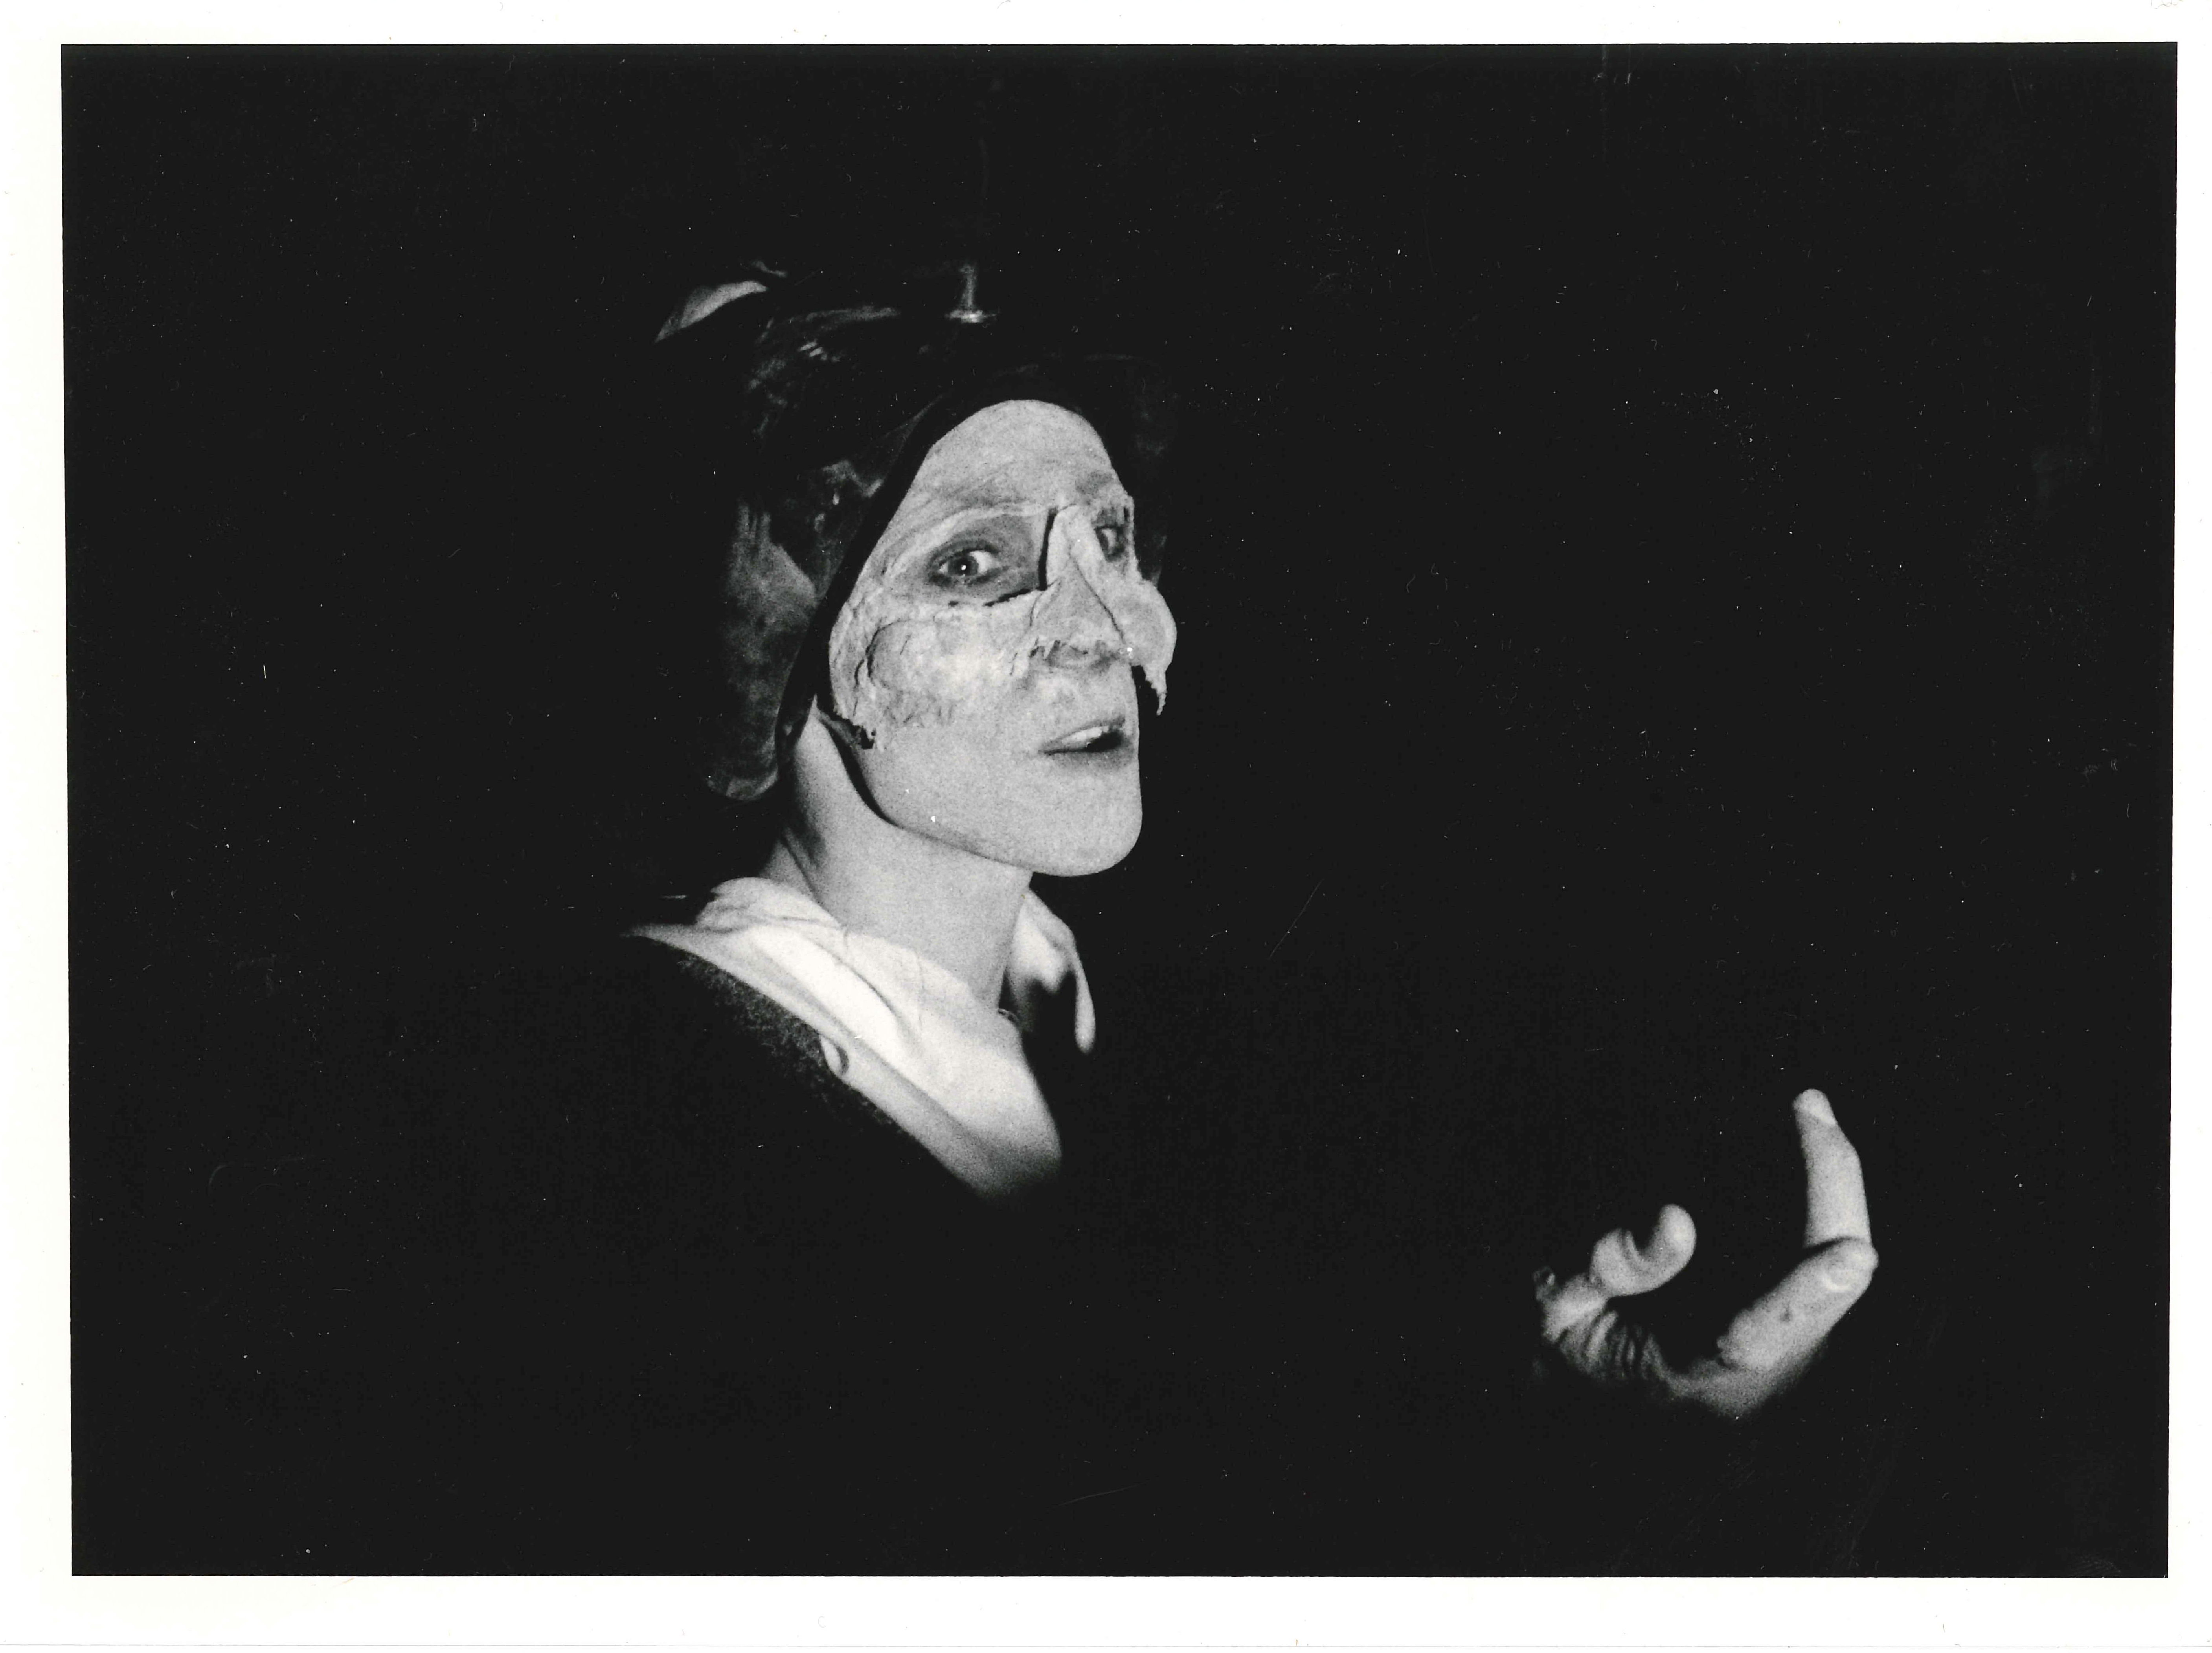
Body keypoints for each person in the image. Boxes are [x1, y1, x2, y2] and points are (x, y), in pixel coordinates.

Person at [104, 264, 1886, 1575]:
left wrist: (1558, 1427)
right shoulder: (602, 1143)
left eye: (1116, 537)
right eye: (974, 564)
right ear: (768, 654)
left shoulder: (1141, 1052)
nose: (1107, 626)